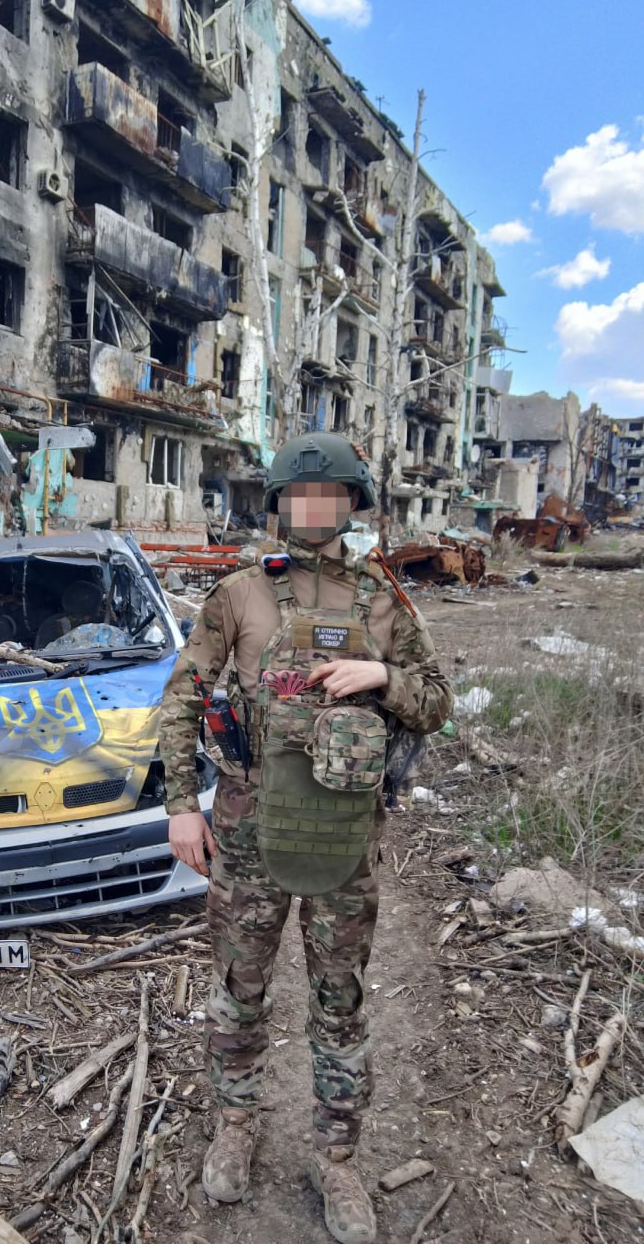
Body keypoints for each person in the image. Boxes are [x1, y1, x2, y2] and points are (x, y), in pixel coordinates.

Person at [159, 433, 453, 1244]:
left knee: (340, 1000)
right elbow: (184, 698)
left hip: (343, 836)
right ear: (281, 502)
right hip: (248, 828)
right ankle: (237, 1123)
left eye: (333, 494)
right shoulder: (240, 594)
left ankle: (336, 1157)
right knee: (238, 986)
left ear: (352, 503)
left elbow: (437, 700)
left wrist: (382, 678)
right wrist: (182, 805)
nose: (316, 507)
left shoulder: (385, 600)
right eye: (302, 493)